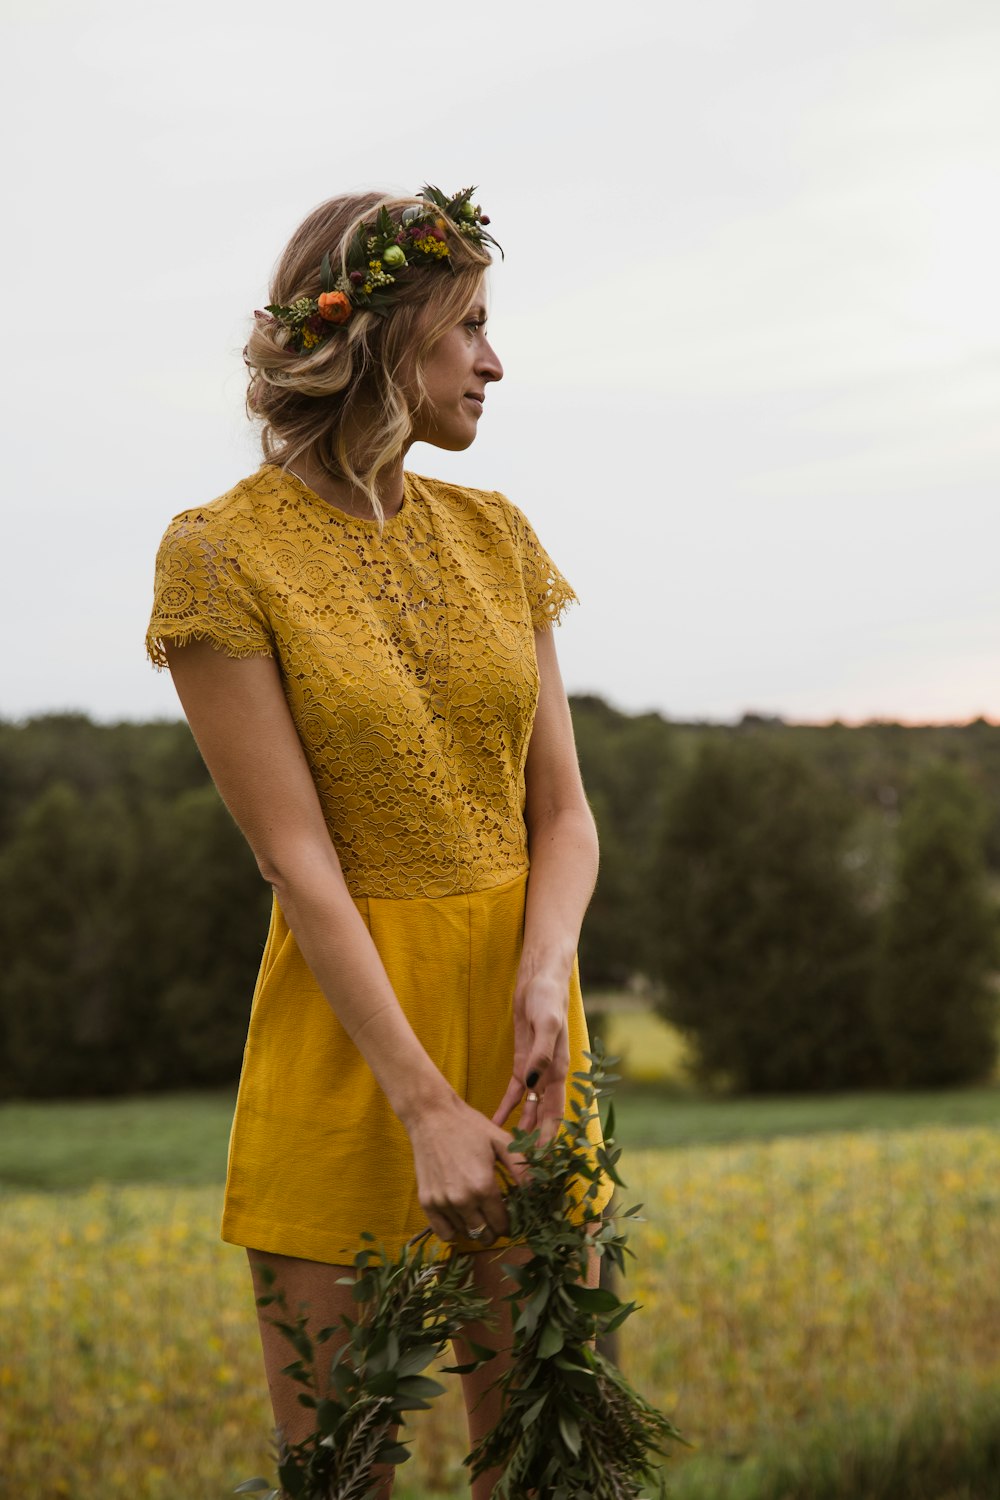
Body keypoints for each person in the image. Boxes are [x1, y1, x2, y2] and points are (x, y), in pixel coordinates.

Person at [145, 185, 610, 1497]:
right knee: (345, 1475)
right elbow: (297, 860)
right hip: (357, 1060)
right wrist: (421, 1102)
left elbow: (564, 812)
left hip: (526, 1051)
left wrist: (544, 978)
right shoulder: (221, 558)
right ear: (384, 338)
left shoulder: (501, 538)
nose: (494, 360)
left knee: (545, 1469)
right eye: (468, 327)